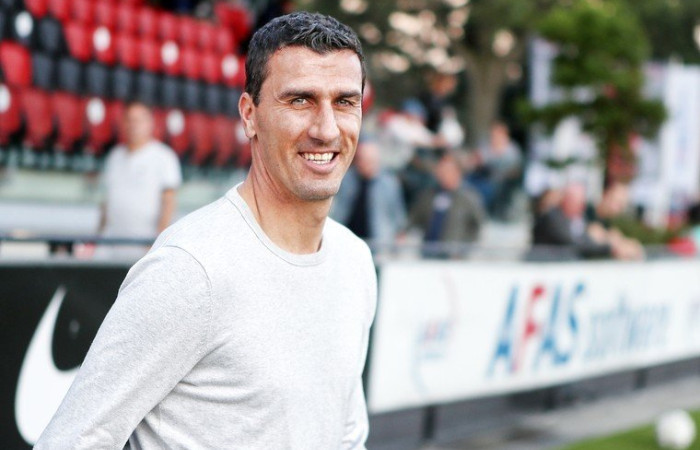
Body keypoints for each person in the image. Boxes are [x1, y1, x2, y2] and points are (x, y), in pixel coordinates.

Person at [37, 11, 376, 449]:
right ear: (249, 115)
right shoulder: (190, 270)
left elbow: (346, 435)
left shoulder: (354, 260)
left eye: (345, 102)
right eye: (299, 100)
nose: (326, 129)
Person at [95, 101, 182, 260]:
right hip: (112, 247)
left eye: (139, 120)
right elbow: (106, 203)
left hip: (145, 249)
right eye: (129, 119)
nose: (133, 125)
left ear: (150, 122)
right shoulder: (115, 156)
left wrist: (156, 247)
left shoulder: (164, 157)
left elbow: (168, 204)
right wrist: (97, 237)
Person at [406, 151, 485, 258]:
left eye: (447, 171)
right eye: (441, 171)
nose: (443, 175)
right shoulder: (428, 195)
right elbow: (414, 219)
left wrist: (463, 250)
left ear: (457, 172)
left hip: (454, 256)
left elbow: (478, 227)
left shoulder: (469, 197)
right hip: (428, 253)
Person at [332, 137, 407, 247]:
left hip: (377, 241)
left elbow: (398, 215)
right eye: (363, 160)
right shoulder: (346, 179)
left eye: (371, 161)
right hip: (346, 239)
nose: (367, 164)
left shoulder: (388, 184)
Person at [531, 182, 613, 260]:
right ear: (565, 200)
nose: (582, 206)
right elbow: (573, 244)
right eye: (578, 202)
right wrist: (604, 244)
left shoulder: (581, 218)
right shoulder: (552, 217)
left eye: (582, 202)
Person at [466, 121, 522, 219]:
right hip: (481, 178)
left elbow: (515, 171)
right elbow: (472, 163)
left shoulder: (512, 151)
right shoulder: (485, 147)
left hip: (500, 184)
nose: (494, 137)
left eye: (497, 134)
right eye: (493, 134)